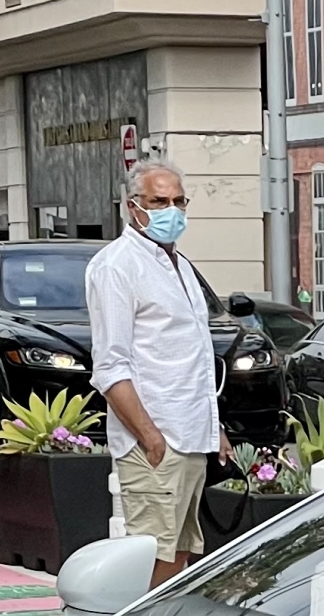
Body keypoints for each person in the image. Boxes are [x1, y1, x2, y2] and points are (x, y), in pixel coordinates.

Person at [87, 158, 232, 587]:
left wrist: (213, 428)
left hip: (190, 435)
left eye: (178, 201)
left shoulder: (178, 264)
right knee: (152, 558)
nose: (172, 211)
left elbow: (190, 356)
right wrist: (150, 438)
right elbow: (111, 366)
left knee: (180, 555)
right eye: (159, 201)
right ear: (134, 206)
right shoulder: (116, 266)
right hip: (157, 442)